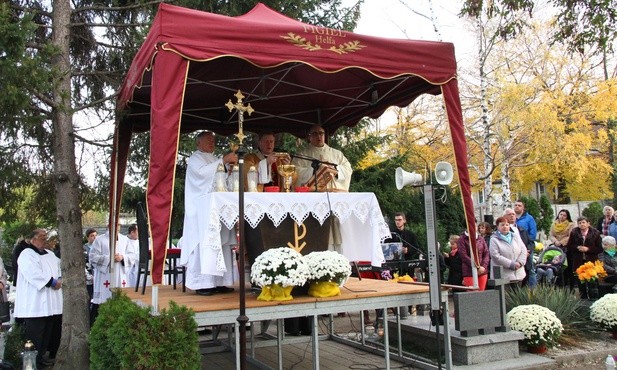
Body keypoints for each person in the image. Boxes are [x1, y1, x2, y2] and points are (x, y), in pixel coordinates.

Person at [181, 131, 238, 296]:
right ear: (198, 143)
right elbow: (201, 175)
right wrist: (223, 161)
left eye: (213, 140)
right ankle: (203, 283)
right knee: (205, 243)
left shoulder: (214, 159)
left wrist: (227, 171)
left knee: (220, 244)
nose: (211, 143)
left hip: (216, 209)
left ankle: (221, 281)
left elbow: (220, 182)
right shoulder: (195, 159)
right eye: (208, 140)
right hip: (200, 211)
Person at [14, 228, 62, 368]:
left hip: (51, 303)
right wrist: (52, 282)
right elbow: (32, 273)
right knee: (35, 335)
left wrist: (59, 278)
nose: (45, 239)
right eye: (41, 237)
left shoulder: (50, 254)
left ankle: (40, 358)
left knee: (47, 333)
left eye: (45, 237)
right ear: (32, 240)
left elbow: (59, 267)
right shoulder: (26, 254)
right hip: (35, 303)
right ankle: (32, 361)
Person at [89, 225, 137, 324]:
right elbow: (92, 257)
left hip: (121, 275)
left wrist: (122, 257)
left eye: (118, 224)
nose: (116, 226)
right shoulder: (99, 240)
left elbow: (132, 256)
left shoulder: (125, 240)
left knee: (121, 302)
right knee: (104, 302)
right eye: (114, 224)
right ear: (109, 225)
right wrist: (109, 258)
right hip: (105, 277)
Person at [292, 125, 353, 191]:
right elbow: (295, 172)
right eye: (315, 133)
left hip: (335, 192)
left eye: (321, 133)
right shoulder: (301, 155)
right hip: (312, 194)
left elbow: (348, 169)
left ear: (324, 135)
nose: (318, 136)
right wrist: (315, 170)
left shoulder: (337, 153)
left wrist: (334, 168)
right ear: (309, 137)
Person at [565, 216, 603, 299]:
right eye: (579, 223)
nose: (581, 224)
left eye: (583, 222)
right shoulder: (574, 232)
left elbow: (599, 248)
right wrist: (577, 247)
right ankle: (583, 298)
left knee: (592, 281)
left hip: (591, 261)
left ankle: (593, 297)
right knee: (580, 281)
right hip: (578, 260)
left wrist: (588, 249)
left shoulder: (596, 233)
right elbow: (569, 246)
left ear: (588, 223)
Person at [489, 216, 527, 286]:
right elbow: (495, 256)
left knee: (517, 296)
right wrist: (511, 264)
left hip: (518, 274)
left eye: (507, 225)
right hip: (503, 276)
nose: (505, 227)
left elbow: (523, 250)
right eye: (502, 225)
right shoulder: (494, 239)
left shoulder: (516, 236)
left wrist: (520, 263)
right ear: (497, 226)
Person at [507, 205, 537, 288]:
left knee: (530, 272)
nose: (512, 216)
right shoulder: (505, 231)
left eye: (513, 214)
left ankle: (532, 292)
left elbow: (531, 241)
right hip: (513, 259)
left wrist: (528, 251)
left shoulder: (522, 229)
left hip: (526, 254)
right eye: (509, 214)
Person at [549, 209, 575, 288]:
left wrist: (562, 242)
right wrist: (556, 241)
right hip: (557, 247)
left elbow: (570, 236)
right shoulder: (554, 224)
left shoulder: (571, 224)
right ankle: (560, 285)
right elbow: (551, 235)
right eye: (561, 214)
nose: (562, 216)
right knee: (558, 266)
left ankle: (571, 286)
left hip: (567, 247)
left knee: (568, 267)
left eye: (564, 215)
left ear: (567, 217)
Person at [83, 228, 97, 300]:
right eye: (92, 236)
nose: (95, 238)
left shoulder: (98, 248)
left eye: (95, 235)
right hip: (89, 277)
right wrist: (90, 276)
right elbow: (84, 264)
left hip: (98, 275)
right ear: (87, 237)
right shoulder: (84, 249)